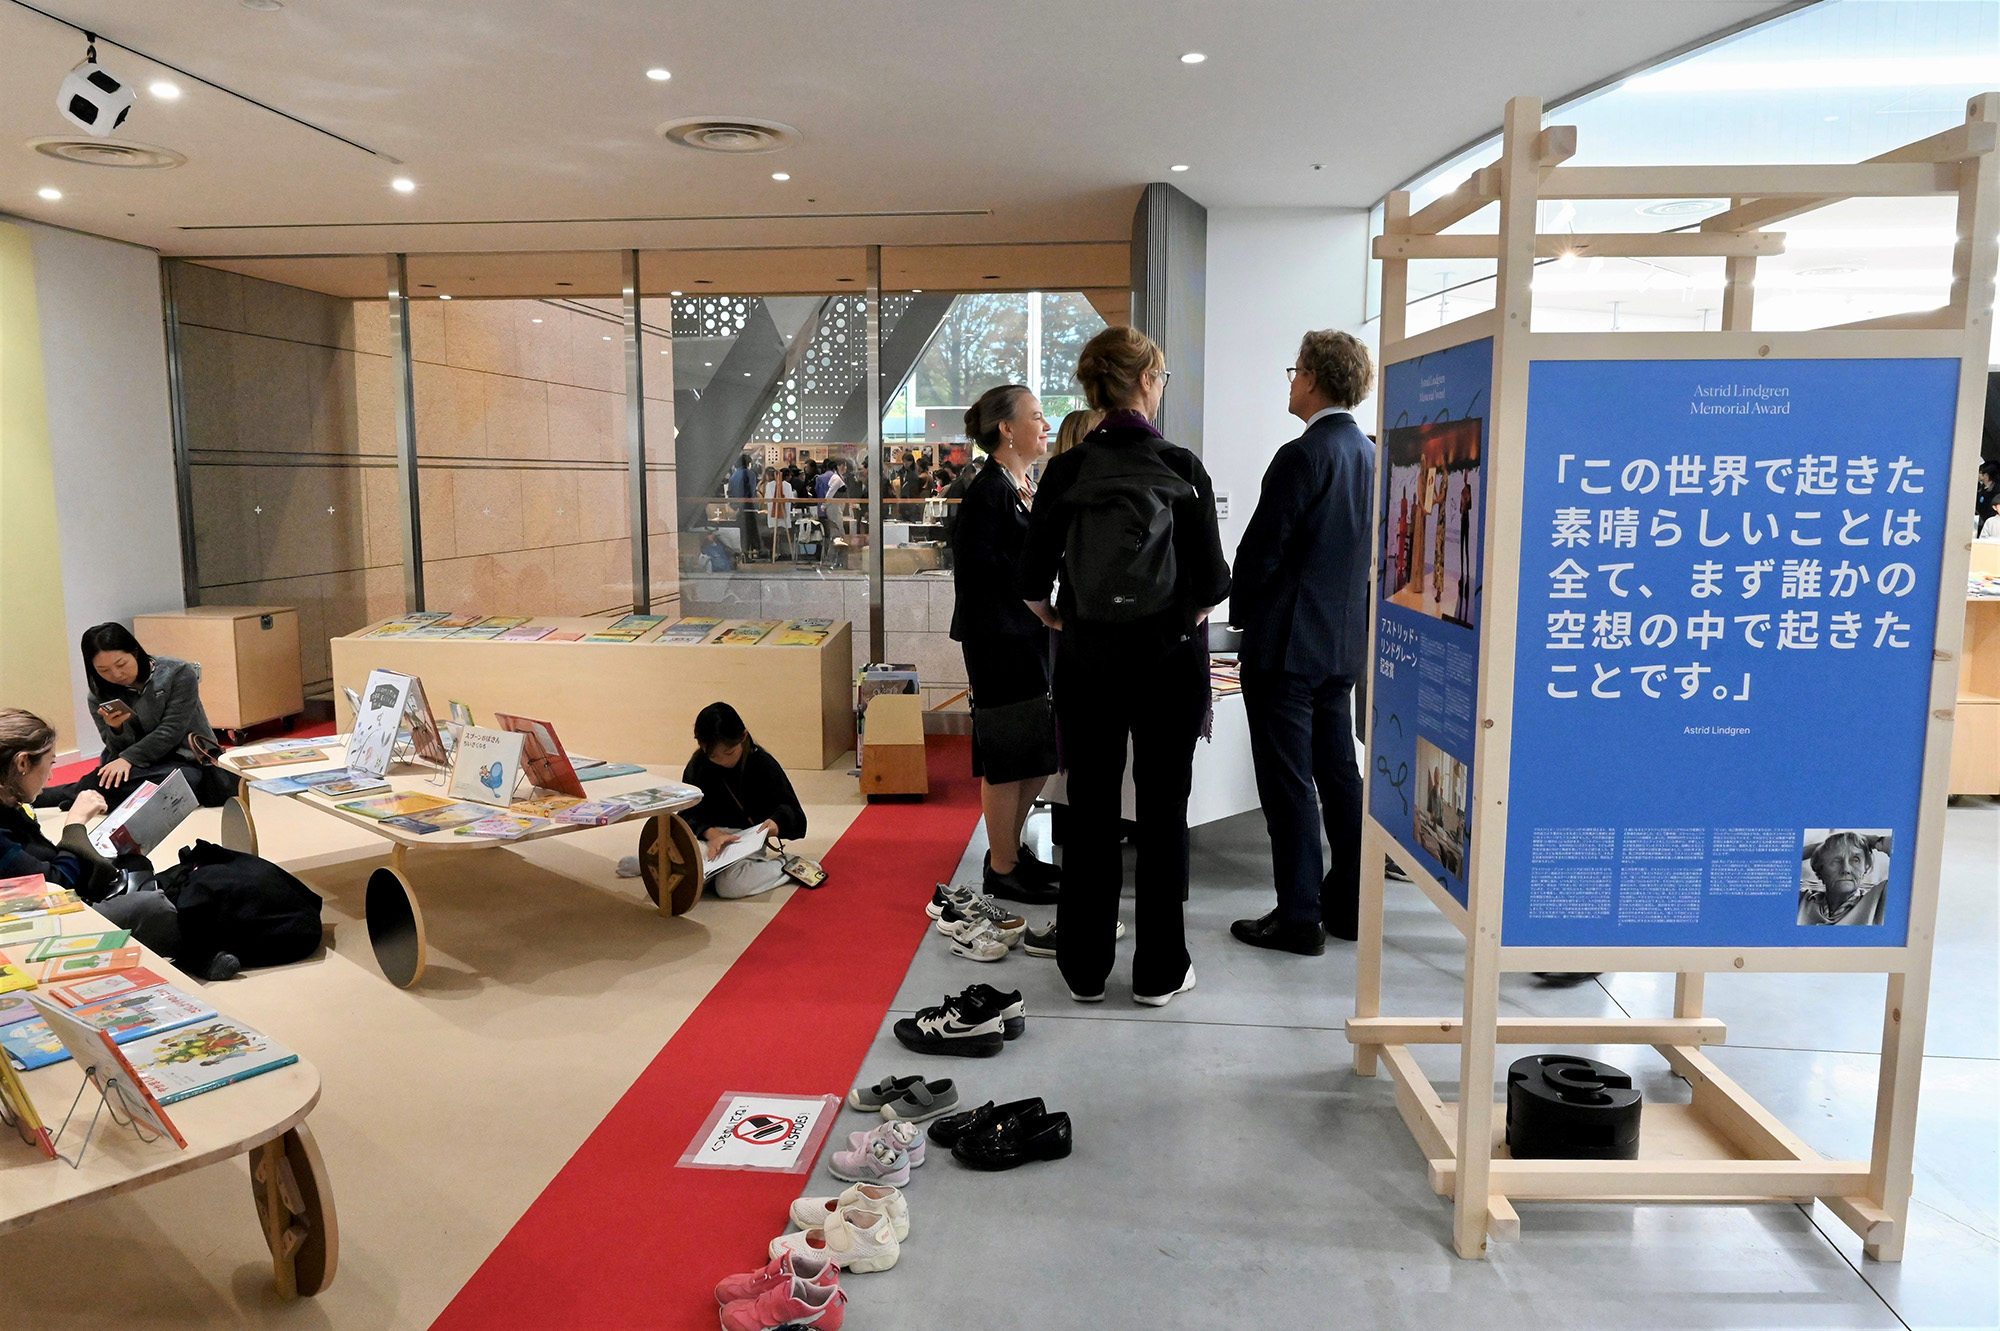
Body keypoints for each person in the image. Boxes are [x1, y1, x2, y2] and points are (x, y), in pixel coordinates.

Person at [1020, 326, 1230, 1007]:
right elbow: (1214, 582)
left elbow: (1031, 579)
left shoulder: (1067, 470)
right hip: (1166, 659)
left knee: (1091, 808)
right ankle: (1159, 970)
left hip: (1088, 658)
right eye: (1161, 379)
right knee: (1165, 810)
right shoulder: (1182, 465)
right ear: (1144, 382)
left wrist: (1062, 619)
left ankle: (1084, 967)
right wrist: (1182, 617)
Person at [1228, 330, 1376, 955]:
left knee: (1288, 782)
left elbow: (1262, 550)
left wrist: (1240, 613)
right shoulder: (1370, 453)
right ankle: (1350, 906)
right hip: (1339, 642)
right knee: (1339, 773)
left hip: (1285, 645)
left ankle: (1299, 916)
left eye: (1296, 371)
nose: (1291, 381)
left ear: (1313, 378)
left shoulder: (1302, 454)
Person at [0, 709, 232, 972]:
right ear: (21, 764)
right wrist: (75, 824)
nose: (51, 776)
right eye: (50, 764)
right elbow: (56, 888)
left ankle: (185, 939)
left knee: (133, 864)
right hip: (34, 923)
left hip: (54, 898)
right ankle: (194, 950)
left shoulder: (10, 803)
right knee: (149, 906)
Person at [951, 383, 1060, 907]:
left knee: (1037, 751)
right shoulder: (988, 489)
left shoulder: (1024, 484)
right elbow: (979, 569)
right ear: (1006, 429)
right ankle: (1001, 866)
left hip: (1030, 633)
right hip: (998, 636)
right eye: (1035, 416)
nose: (1045, 425)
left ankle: (1011, 851)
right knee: (1008, 751)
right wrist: (1035, 591)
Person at [40, 623, 238, 812]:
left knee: (181, 782)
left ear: (135, 653)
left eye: (121, 664)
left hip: (187, 759)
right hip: (140, 766)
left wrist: (128, 758)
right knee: (113, 778)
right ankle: (92, 796)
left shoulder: (178, 673)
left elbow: (171, 731)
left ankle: (83, 797)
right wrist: (117, 729)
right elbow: (116, 750)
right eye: (103, 670)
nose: (116, 674)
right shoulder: (98, 695)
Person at [680, 703, 807, 899]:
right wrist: (713, 834)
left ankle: (786, 865)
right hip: (708, 838)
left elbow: (794, 813)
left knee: (729, 885)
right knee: (677, 871)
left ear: (743, 736)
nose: (722, 761)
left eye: (729, 753)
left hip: (743, 840)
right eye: (713, 755)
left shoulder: (762, 764)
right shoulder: (698, 765)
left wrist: (775, 824)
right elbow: (686, 812)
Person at [728, 452, 761, 560]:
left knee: (741, 532)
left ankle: (742, 553)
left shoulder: (733, 476)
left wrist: (734, 506)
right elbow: (752, 491)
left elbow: (730, 492)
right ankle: (749, 554)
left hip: (738, 508)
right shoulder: (750, 475)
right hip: (749, 507)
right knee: (750, 532)